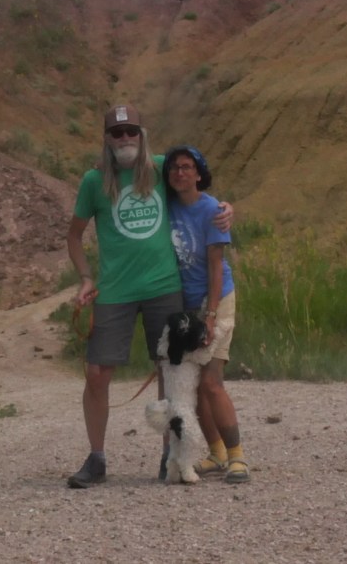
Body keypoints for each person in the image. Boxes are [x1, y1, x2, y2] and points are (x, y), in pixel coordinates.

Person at [65, 105, 231, 488]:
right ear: (106, 139)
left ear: (142, 134)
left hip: (163, 287)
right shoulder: (94, 181)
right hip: (115, 290)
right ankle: (97, 458)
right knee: (96, 372)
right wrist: (86, 277)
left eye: (131, 132)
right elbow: (74, 235)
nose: (124, 139)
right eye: (117, 133)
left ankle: (169, 455)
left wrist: (225, 209)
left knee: (169, 371)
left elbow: (195, 191)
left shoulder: (160, 168)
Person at [163, 145, 250, 484]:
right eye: (174, 168)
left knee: (212, 383)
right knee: (196, 386)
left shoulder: (212, 210)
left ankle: (238, 457)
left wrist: (211, 315)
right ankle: (215, 454)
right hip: (185, 305)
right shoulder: (167, 207)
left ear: (199, 173)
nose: (180, 173)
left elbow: (216, 265)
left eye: (187, 167)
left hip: (216, 299)